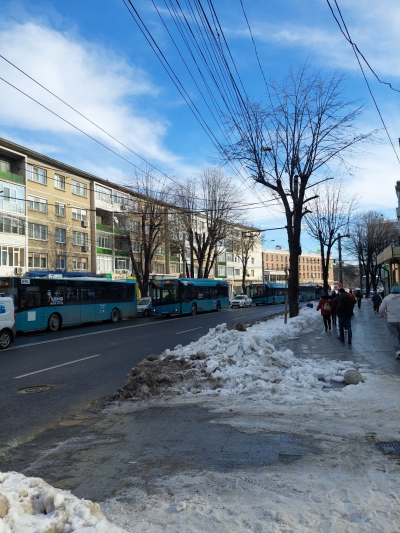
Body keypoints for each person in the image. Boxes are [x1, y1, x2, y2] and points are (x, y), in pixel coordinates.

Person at [379, 285, 400, 358]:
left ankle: (398, 351)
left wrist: (382, 314)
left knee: (394, 335)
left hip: (391, 320)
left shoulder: (387, 298)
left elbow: (381, 309)